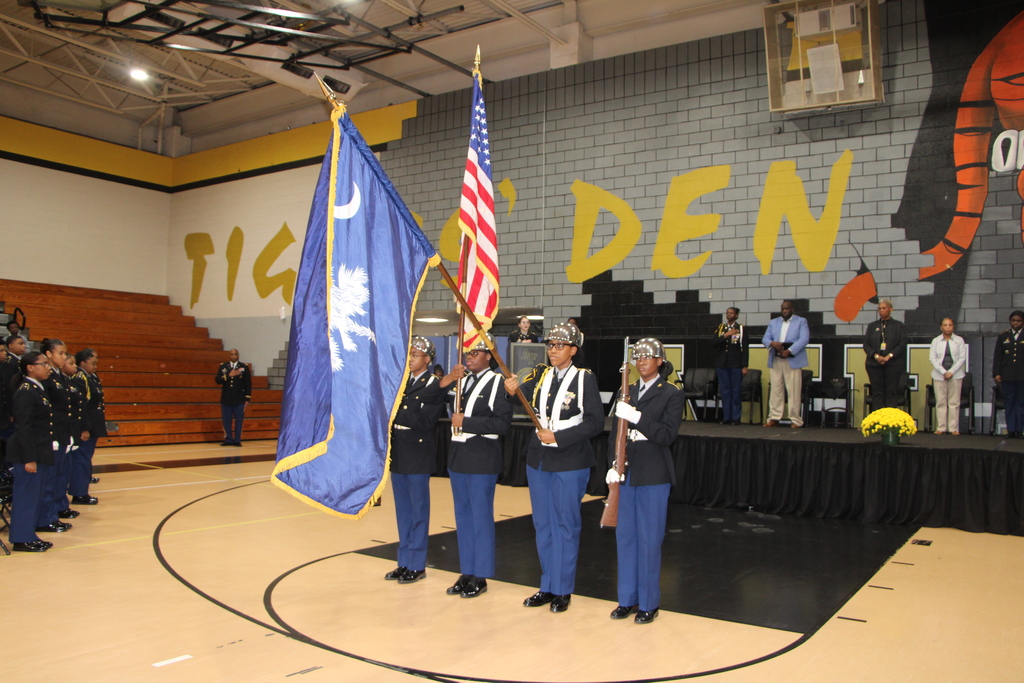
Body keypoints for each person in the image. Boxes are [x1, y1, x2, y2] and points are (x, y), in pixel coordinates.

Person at [503, 322, 604, 613]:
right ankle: (547, 585)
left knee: (565, 525)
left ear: (573, 350)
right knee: (543, 524)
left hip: (570, 461)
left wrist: (559, 437)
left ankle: (563, 589)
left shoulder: (584, 379)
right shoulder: (542, 374)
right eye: (550, 345)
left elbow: (596, 423)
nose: (553, 350)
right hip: (540, 460)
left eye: (560, 346)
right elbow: (522, 396)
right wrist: (511, 389)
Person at [605, 338, 685, 624]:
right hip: (627, 472)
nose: (641, 362)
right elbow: (615, 433)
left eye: (647, 357)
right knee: (625, 538)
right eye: (637, 357)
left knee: (649, 541)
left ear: (660, 361)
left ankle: (649, 603)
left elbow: (666, 435)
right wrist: (612, 466)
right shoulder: (625, 391)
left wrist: (637, 417)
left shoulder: (671, 394)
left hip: (654, 473)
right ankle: (627, 599)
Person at [445, 333, 513, 598]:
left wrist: (467, 422)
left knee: (481, 518)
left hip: (482, 457)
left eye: (475, 352)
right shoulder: (462, 382)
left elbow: (502, 424)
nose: (469, 357)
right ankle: (467, 571)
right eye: (468, 353)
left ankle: (481, 575)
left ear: (489, 356)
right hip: (458, 456)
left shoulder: (497, 383)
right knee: (462, 518)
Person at [386, 336, 458, 584]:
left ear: (428, 359)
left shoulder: (434, 384)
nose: (410, 359)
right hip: (399, 451)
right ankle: (403, 560)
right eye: (409, 354)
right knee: (403, 511)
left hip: (417, 452)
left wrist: (397, 416)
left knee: (418, 511)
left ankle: (417, 564)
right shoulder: (401, 382)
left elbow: (426, 422)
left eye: (415, 355)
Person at [6, 352, 56, 552]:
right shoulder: (26, 391)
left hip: (39, 449)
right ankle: (21, 538)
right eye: (43, 364)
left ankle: (29, 534)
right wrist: (29, 458)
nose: (48, 367)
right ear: (30, 367)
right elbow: (24, 428)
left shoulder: (37, 388)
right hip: (28, 452)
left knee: (35, 495)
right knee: (26, 496)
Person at [39, 338, 75, 532]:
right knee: (50, 478)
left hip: (62, 432)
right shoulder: (47, 377)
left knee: (59, 475)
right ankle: (47, 517)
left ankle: (55, 512)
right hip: (52, 434)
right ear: (48, 354)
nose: (64, 357)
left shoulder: (59, 376)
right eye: (60, 353)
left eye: (64, 353)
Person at [762, 301, 810, 428]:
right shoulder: (774, 322)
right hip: (776, 359)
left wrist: (790, 351)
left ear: (792, 309)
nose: (784, 311)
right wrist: (772, 343)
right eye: (783, 309)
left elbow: (804, 339)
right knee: (776, 390)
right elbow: (765, 338)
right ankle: (774, 417)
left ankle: (795, 419)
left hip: (792, 359)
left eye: (787, 309)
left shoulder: (801, 321)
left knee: (793, 390)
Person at [70, 348, 106, 501]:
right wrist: (84, 427)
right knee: (81, 458)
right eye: (92, 363)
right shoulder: (80, 378)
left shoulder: (91, 376)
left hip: (94, 423)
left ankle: (82, 486)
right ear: (82, 363)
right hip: (87, 424)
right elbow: (81, 405)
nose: (95, 366)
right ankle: (79, 493)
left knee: (86, 457)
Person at [864, 299, 907, 411]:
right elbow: (866, 344)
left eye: (884, 308)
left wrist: (889, 356)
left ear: (891, 309)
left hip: (893, 364)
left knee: (891, 392)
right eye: (879, 308)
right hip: (874, 364)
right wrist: (876, 356)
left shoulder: (898, 326)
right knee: (877, 392)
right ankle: (877, 421)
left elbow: (902, 344)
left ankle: (890, 421)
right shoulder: (873, 326)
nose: (881, 311)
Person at [929, 318, 967, 435]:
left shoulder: (959, 340)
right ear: (941, 327)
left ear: (953, 327)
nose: (948, 327)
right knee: (941, 402)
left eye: (950, 325)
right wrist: (943, 372)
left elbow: (962, 358)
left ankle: (953, 428)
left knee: (954, 402)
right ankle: (941, 427)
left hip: (955, 375)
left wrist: (951, 372)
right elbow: (932, 358)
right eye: (945, 325)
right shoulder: (936, 341)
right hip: (939, 375)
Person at [713, 307, 748, 425]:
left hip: (736, 364)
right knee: (725, 391)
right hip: (722, 364)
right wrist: (726, 335)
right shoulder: (721, 328)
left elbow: (745, 349)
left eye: (732, 313)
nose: (729, 315)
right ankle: (726, 417)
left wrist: (744, 365)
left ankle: (736, 418)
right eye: (727, 313)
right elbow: (714, 343)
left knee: (736, 391)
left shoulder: (741, 329)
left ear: (736, 315)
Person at [994, 310, 1024, 438]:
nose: (1016, 323)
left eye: (1018, 321)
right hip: (1007, 375)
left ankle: (1020, 430)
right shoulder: (1003, 336)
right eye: (1013, 321)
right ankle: (1011, 430)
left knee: (1021, 403)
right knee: (1009, 403)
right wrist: (996, 373)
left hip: (1022, 376)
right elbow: (998, 356)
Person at [215, 349, 251, 446]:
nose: (234, 356)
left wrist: (247, 398)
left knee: (239, 420)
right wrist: (228, 375)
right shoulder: (224, 366)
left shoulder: (243, 367)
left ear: (238, 355)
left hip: (239, 398)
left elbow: (248, 383)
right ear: (229, 356)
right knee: (226, 419)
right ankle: (228, 439)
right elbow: (217, 380)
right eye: (232, 354)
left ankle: (237, 440)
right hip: (226, 398)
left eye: (235, 354)